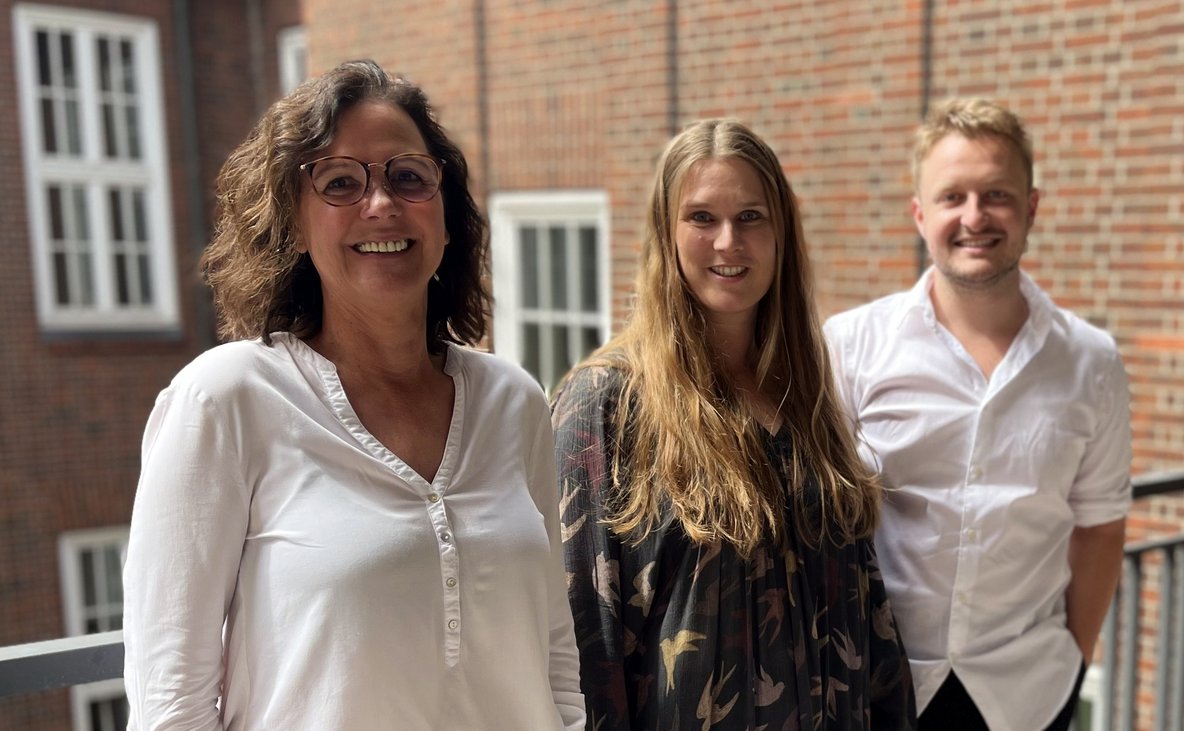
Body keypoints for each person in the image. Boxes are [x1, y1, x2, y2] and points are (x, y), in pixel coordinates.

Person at [121, 60, 585, 730]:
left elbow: (554, 659)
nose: (381, 204)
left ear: (446, 216)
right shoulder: (226, 401)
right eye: (340, 182)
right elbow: (171, 705)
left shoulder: (513, 401)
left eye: (408, 177)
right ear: (296, 227)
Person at [552, 118, 917, 730]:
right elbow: (582, 638)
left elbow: (866, 608)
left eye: (751, 216)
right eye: (701, 218)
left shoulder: (804, 393)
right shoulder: (606, 401)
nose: (729, 241)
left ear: (781, 233)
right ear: (665, 235)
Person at [823, 98, 1133, 731]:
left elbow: (1100, 525)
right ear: (920, 214)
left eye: (996, 194)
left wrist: (1076, 658)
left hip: (1026, 692)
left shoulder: (1091, 362)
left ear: (1031, 208)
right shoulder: (850, 345)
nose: (974, 217)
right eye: (952, 197)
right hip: (875, 685)